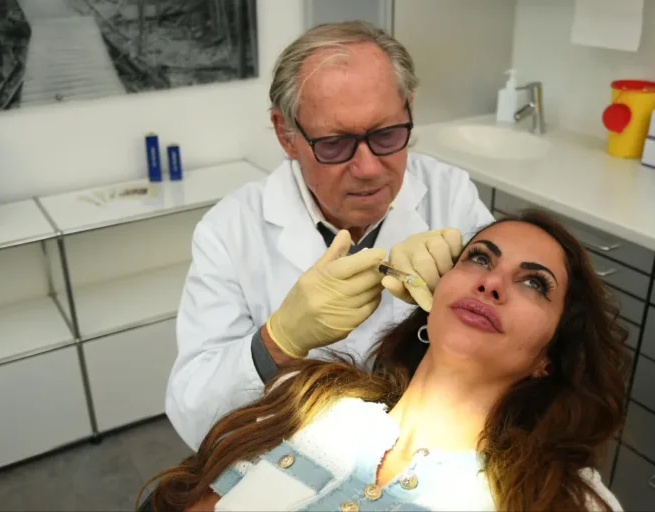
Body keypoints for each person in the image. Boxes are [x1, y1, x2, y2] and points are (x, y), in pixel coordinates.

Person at [141, 209, 631, 512]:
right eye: (480, 258)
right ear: (435, 293)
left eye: (534, 283)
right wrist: (279, 337)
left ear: (548, 359)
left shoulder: (548, 495)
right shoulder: (311, 400)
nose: (491, 283)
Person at [166, 20, 494, 450]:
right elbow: (193, 413)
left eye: (387, 134)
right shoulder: (229, 231)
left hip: (428, 441)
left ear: (409, 109)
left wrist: (460, 286)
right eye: (335, 143)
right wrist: (278, 341)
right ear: (286, 134)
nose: (369, 168)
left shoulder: (450, 194)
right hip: (295, 450)